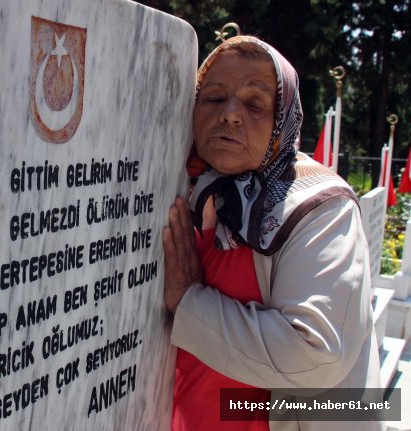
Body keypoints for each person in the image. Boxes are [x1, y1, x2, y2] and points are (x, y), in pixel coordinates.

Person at [162, 35, 382, 431]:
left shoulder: (322, 207)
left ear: (282, 120)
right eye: (213, 98)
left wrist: (191, 302)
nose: (230, 114)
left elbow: (319, 352)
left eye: (254, 104)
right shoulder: (192, 188)